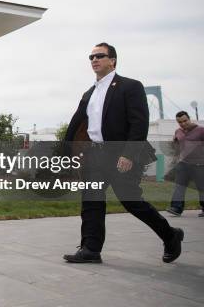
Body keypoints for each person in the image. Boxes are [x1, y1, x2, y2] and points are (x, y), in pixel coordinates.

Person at [63, 42, 184, 264]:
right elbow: (76, 123)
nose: (94, 60)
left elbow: (139, 124)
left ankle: (170, 235)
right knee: (91, 200)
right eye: (91, 57)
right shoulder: (90, 92)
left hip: (119, 154)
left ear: (113, 61)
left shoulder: (130, 86)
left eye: (99, 56)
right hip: (95, 154)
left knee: (131, 201)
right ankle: (91, 249)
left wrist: (128, 154)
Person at [166, 111, 204, 217]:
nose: (183, 123)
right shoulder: (178, 131)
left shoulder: (201, 130)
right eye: (180, 122)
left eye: (185, 121)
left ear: (189, 119)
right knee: (179, 186)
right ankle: (176, 208)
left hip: (200, 164)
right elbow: (176, 145)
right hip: (183, 163)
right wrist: (175, 158)